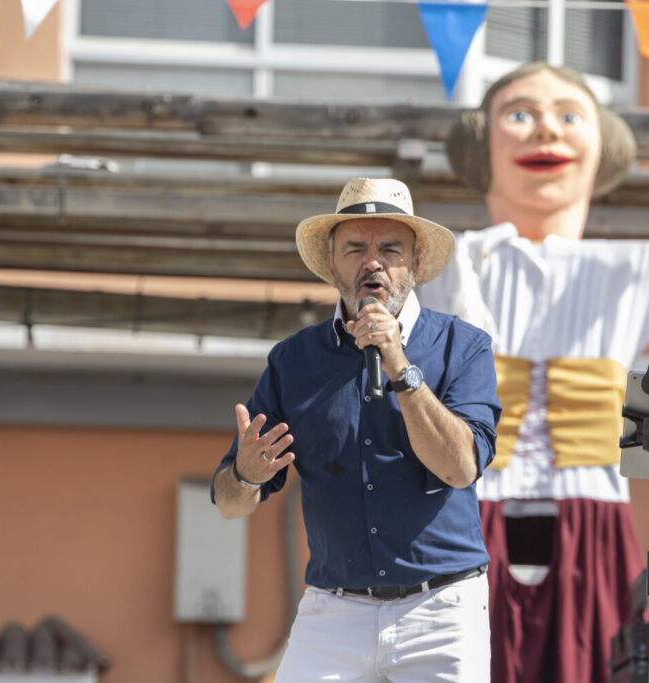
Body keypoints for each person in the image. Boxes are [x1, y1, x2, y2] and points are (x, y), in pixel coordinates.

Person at [418, 62, 649, 683]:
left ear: (603, 141)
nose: (545, 131)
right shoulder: (440, 260)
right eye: (518, 115)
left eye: (570, 116)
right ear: (480, 141)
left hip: (595, 518)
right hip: (462, 513)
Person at [211, 177, 502, 682]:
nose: (374, 262)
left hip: (440, 609)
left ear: (413, 264)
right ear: (332, 264)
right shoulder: (292, 361)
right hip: (333, 613)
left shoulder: (463, 346)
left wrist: (399, 365)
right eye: (355, 248)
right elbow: (229, 505)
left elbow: (460, 468)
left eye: (390, 248)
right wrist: (246, 474)